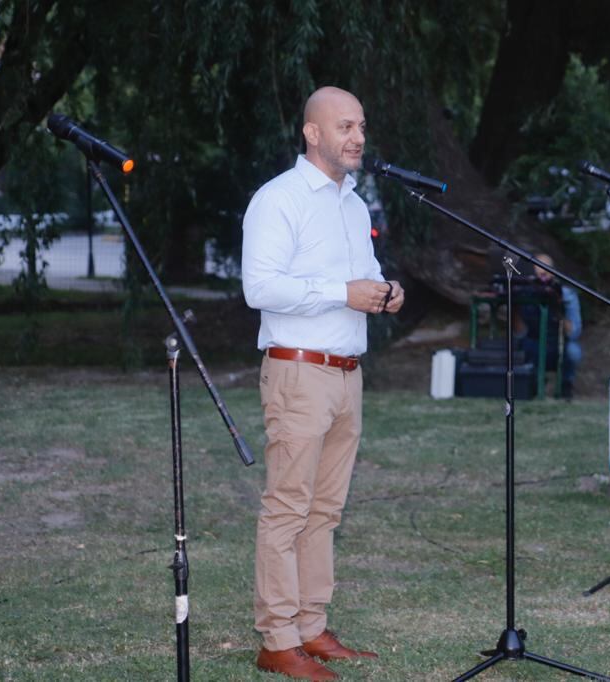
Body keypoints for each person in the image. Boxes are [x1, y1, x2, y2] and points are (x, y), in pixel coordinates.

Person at [241, 86, 403, 681]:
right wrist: (343, 294)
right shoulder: (277, 199)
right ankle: (277, 639)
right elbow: (259, 289)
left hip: (346, 376)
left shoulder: (353, 204)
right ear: (312, 133)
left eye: (360, 125)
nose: (357, 137)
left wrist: (386, 292)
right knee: (288, 507)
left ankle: (312, 626)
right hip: (297, 371)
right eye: (343, 126)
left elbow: (366, 276)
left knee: (325, 510)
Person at [514, 253, 582, 399]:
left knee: (573, 352)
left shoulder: (566, 294)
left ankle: (565, 387)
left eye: (545, 268)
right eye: (537, 268)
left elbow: (575, 332)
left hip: (558, 343)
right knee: (522, 347)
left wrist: (558, 309)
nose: (542, 272)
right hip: (534, 342)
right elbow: (519, 330)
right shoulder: (527, 293)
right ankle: (531, 384)